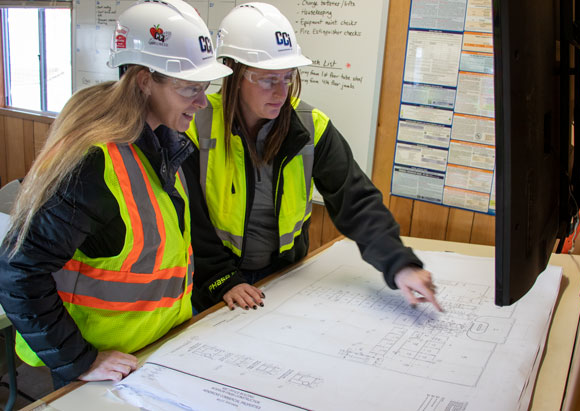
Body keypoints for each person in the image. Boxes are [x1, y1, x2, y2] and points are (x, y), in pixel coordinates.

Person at [0, 0, 231, 388]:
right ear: (144, 81)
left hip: (154, 353)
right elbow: (18, 271)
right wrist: (80, 361)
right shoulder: (90, 162)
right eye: (189, 88)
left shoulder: (165, 144)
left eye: (204, 87)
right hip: (99, 371)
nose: (202, 101)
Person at [183, 2, 442, 314]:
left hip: (283, 277)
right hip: (214, 286)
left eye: (288, 77)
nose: (282, 91)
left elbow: (355, 200)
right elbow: (189, 220)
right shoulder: (195, 125)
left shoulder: (310, 126)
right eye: (268, 79)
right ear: (234, 73)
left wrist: (399, 264)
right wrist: (222, 278)